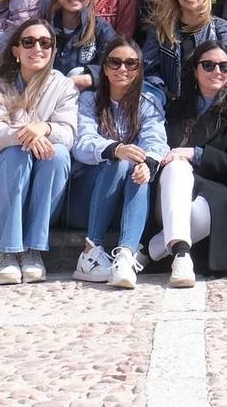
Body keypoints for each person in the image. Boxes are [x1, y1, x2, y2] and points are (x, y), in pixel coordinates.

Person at [0, 17, 78, 283]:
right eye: (28, 42)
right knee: (17, 152)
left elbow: (70, 133)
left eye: (45, 43)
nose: (37, 48)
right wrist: (23, 134)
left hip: (35, 195)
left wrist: (45, 129)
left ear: (53, 50)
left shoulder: (63, 86)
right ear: (16, 50)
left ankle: (33, 249)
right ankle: (6, 251)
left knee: (59, 153)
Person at [149, 40, 227, 282]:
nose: (217, 72)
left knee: (198, 207)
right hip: (169, 193)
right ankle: (182, 256)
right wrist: (182, 158)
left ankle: (156, 249)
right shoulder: (174, 107)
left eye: (224, 66)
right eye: (208, 65)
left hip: (212, 198)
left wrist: (195, 153)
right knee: (177, 167)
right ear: (195, 69)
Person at [69, 37, 167, 288]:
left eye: (131, 63)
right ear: (104, 67)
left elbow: (156, 141)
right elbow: (82, 143)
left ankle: (125, 254)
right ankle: (90, 251)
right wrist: (116, 149)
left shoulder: (147, 103)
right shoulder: (89, 100)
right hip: (87, 196)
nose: (123, 69)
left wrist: (148, 164)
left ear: (139, 69)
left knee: (138, 168)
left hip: (130, 199)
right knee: (120, 162)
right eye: (115, 62)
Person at [48, 0, 119, 91]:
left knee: (78, 72)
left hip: (86, 95)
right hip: (50, 92)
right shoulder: (44, 28)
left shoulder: (101, 29)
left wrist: (91, 77)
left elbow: (115, 64)